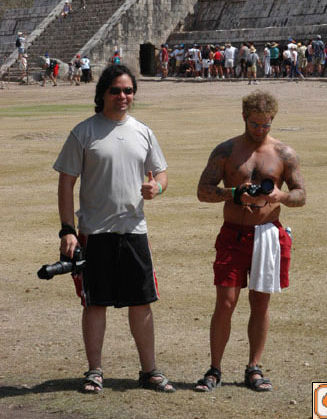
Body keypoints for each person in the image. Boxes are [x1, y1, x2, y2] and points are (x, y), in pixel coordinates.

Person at [53, 64, 175, 394]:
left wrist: (157, 189)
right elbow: (66, 183)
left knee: (142, 302)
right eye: (116, 90)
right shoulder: (84, 132)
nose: (123, 96)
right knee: (95, 303)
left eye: (128, 91)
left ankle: (149, 370)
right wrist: (67, 229)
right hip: (95, 232)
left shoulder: (143, 131)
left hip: (134, 230)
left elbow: (161, 174)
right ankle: (94, 370)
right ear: (102, 94)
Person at [195, 90, 306, 393]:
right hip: (233, 232)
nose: (260, 130)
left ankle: (253, 367)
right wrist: (232, 193)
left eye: (266, 125)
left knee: (260, 302)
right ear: (244, 117)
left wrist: (279, 195)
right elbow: (203, 190)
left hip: (268, 233)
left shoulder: (284, 153)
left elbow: (300, 195)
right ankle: (214, 368)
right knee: (226, 302)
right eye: (255, 124)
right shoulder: (226, 150)